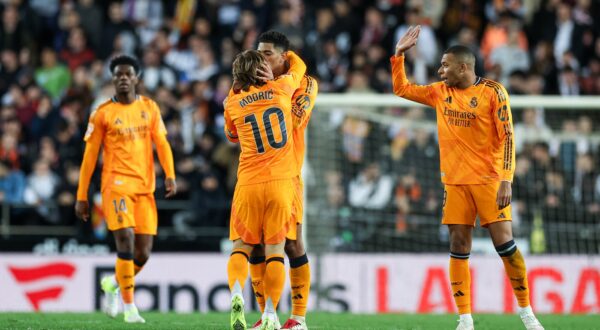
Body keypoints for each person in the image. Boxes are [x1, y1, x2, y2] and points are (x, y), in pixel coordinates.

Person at [391, 26, 544, 330]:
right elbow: (402, 89)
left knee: (506, 245)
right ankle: (465, 319)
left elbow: (508, 138)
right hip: (455, 183)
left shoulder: (493, 92)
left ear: (463, 67)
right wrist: (398, 56)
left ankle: (526, 311)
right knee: (459, 245)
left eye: (445, 65)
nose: (439, 70)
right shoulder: (439, 92)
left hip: (489, 181)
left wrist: (505, 179)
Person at [75, 55, 177, 324]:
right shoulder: (102, 113)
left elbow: (162, 144)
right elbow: (89, 158)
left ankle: (113, 283)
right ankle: (129, 308)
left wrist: (170, 174)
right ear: (112, 79)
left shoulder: (150, 108)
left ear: (136, 78)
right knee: (126, 240)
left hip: (144, 189)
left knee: (143, 252)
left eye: (127, 74)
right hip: (116, 186)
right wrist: (81, 195)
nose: (122, 78)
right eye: (117, 74)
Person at [224, 49, 305, 330]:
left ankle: (236, 294)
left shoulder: (231, 103)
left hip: (248, 183)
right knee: (275, 252)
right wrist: (288, 55)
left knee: (240, 247)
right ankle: (271, 313)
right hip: (281, 184)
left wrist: (237, 89)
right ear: (263, 70)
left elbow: (232, 135)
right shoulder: (282, 87)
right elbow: (300, 67)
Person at [247, 30, 318, 330]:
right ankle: (268, 318)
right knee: (254, 248)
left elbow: (293, 120)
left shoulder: (306, 84)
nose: (260, 60)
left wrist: (274, 88)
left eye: (267, 54)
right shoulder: (254, 83)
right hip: (255, 177)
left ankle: (299, 319)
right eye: (258, 53)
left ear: (284, 57)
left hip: (288, 176)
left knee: (292, 246)